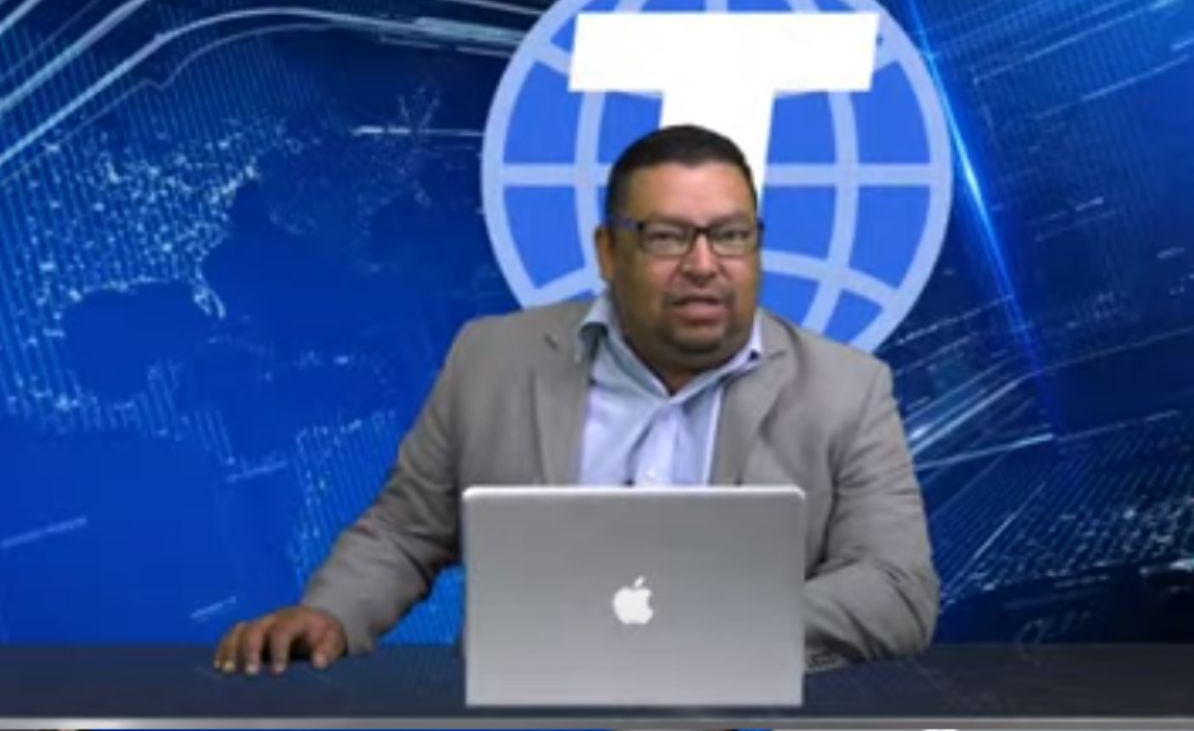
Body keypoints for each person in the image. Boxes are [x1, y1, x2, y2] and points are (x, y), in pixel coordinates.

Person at [213, 124, 939, 676]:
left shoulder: (848, 387)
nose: (703, 264)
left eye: (730, 235)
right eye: (667, 237)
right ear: (608, 252)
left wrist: (706, 623)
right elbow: (404, 532)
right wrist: (330, 614)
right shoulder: (490, 359)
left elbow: (898, 591)